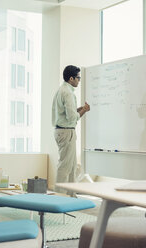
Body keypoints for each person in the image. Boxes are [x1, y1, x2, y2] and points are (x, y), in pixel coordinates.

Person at [52, 65, 90, 195]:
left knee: (72, 166)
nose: (79, 81)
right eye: (78, 78)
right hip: (66, 131)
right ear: (71, 78)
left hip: (64, 131)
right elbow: (72, 117)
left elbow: (69, 112)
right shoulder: (67, 93)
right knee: (65, 166)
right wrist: (84, 110)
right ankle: (59, 196)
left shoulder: (62, 90)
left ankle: (71, 195)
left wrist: (80, 108)